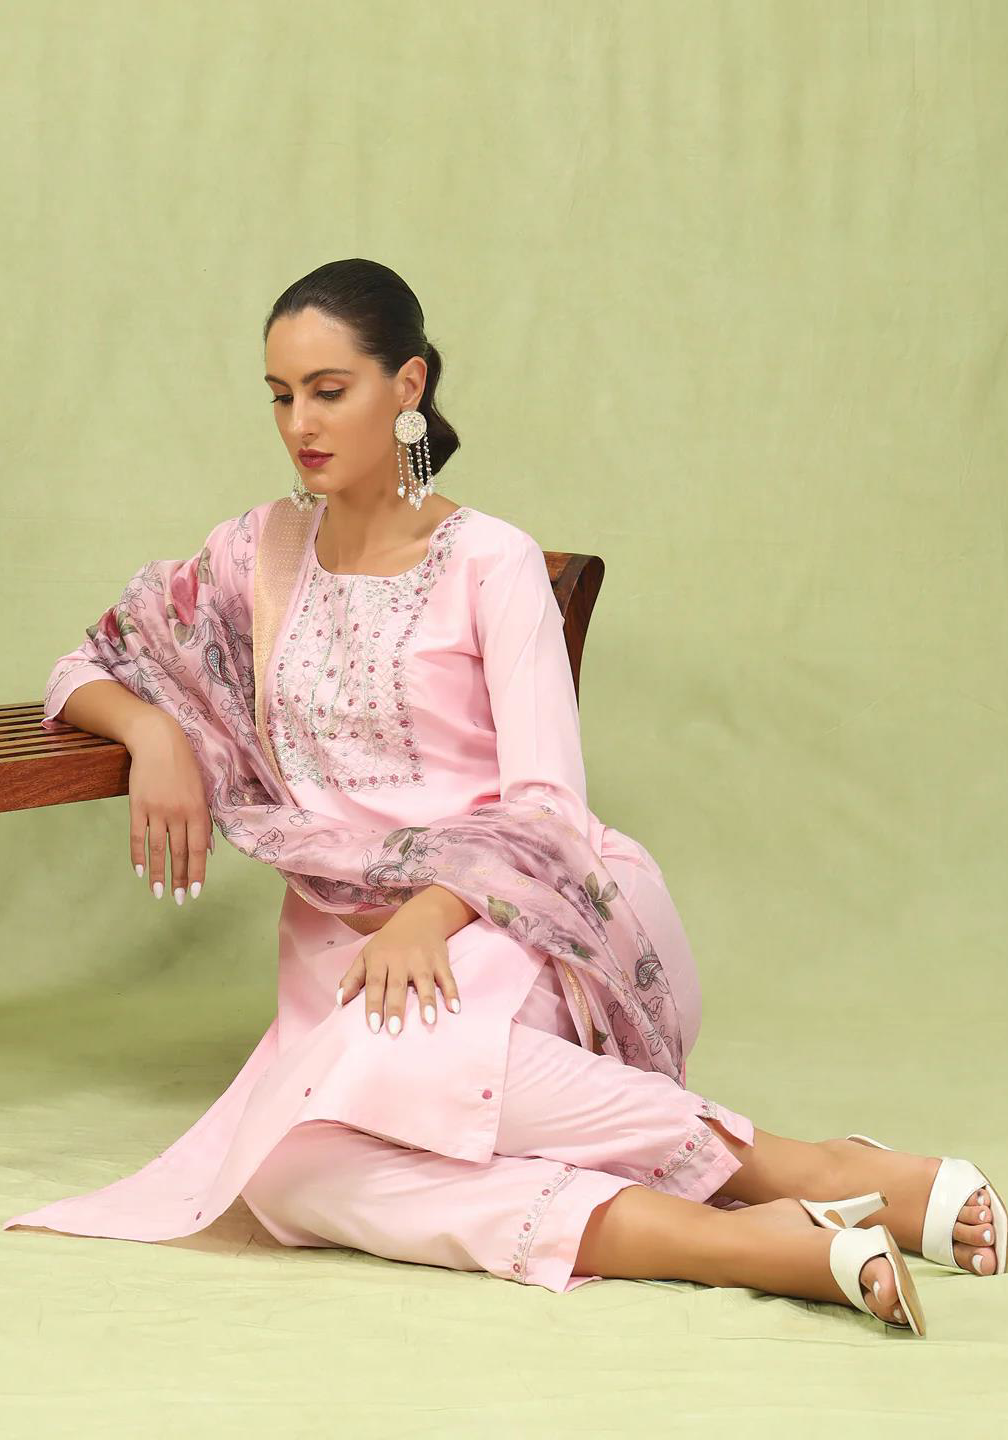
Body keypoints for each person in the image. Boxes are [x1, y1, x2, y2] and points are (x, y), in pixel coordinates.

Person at [4, 259, 1002, 1335]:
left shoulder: (492, 560)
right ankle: (750, 1243)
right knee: (287, 1176)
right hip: (343, 962)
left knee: (400, 1060)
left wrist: (429, 915)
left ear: (409, 385)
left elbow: (548, 810)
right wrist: (152, 730)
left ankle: (800, 1167)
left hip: (527, 924)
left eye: (330, 390)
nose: (301, 424)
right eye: (281, 395)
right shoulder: (255, 558)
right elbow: (87, 666)